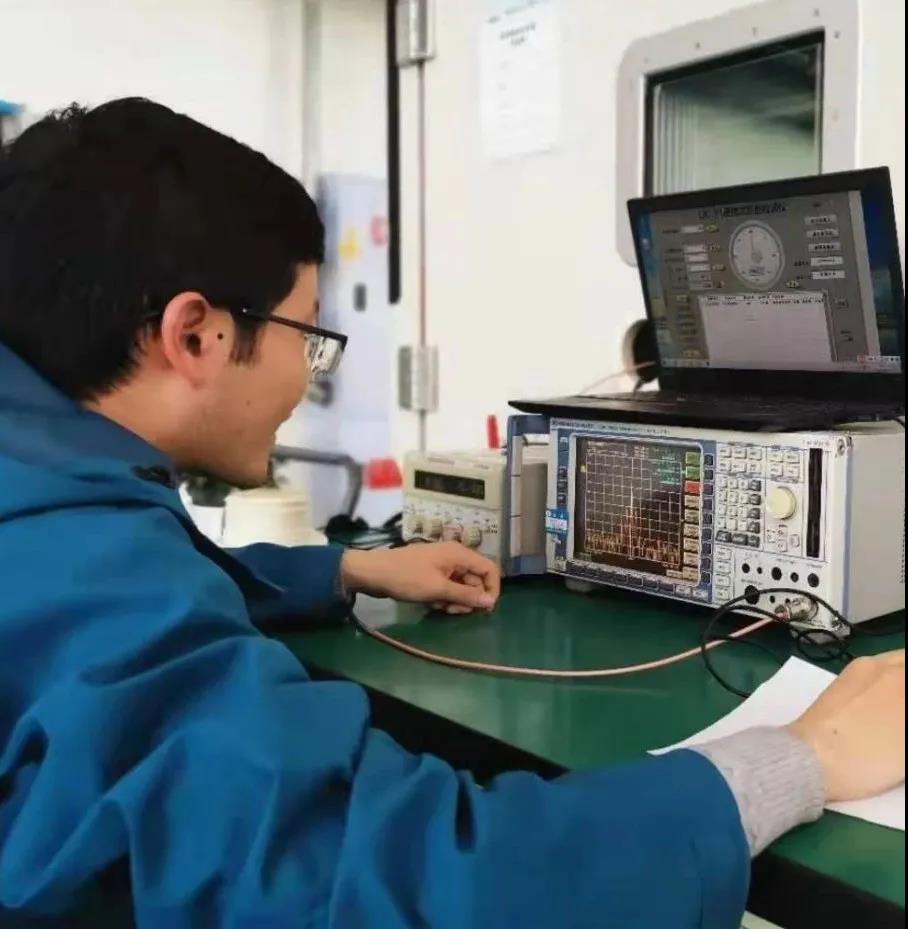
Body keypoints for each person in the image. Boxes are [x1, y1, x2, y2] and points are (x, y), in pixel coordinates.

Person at [0, 99, 903, 929]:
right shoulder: (85, 564)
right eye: (307, 337)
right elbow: (409, 880)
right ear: (196, 336)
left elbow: (134, 593)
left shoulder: (45, 497)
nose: (309, 376)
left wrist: (344, 567)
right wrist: (805, 756)